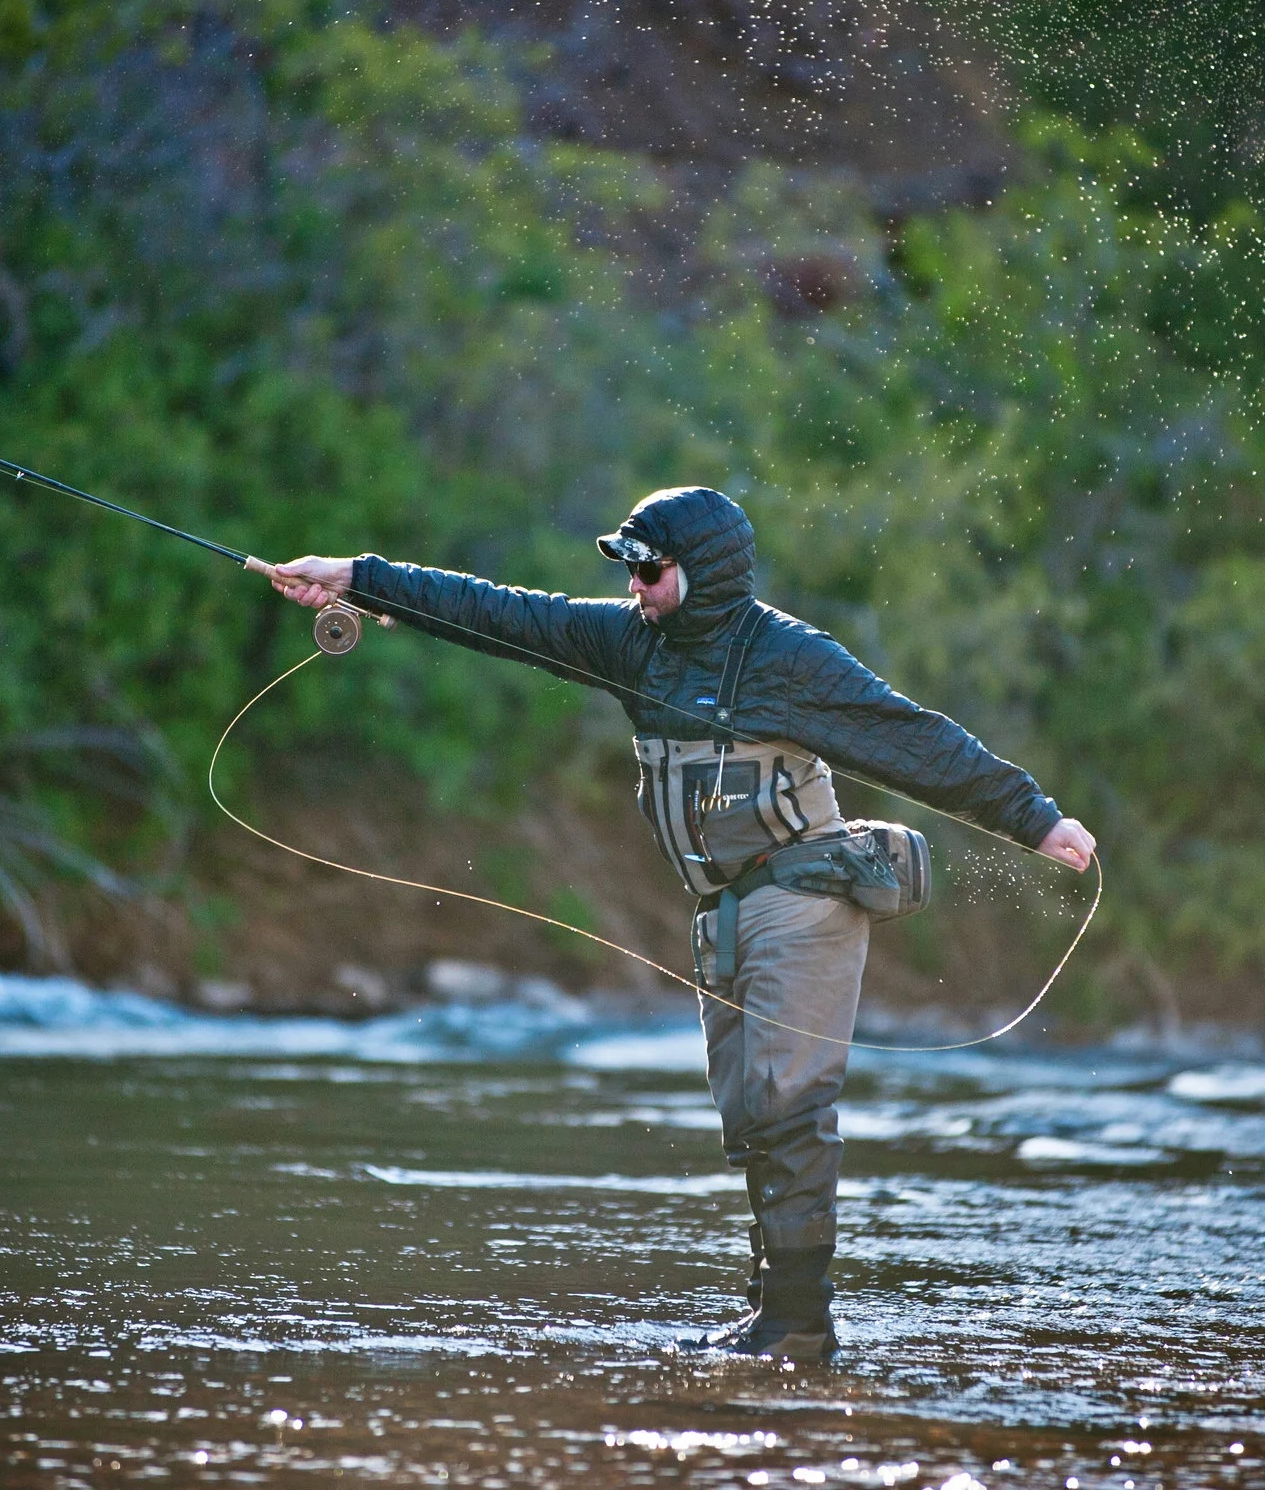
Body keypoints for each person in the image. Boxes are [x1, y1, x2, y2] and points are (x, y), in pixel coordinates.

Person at [268, 486, 1095, 1361]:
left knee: (789, 1107)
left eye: (651, 570)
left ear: (707, 572)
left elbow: (916, 739)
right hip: (724, 911)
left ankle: (799, 1327)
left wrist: (1037, 821)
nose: (637, 587)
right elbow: (501, 615)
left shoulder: (789, 658)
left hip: (805, 896)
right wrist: (359, 578)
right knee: (749, 1116)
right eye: (628, 568)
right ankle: (772, 1310)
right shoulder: (631, 642)